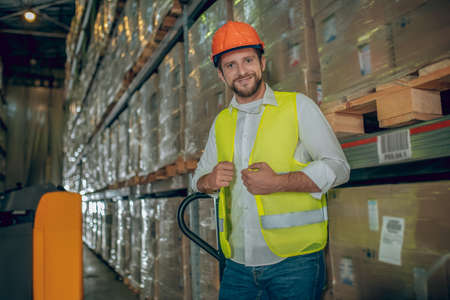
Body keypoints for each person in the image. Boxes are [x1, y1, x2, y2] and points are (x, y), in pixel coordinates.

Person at [192, 21, 350, 300]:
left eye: (248, 60)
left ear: (262, 63)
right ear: (221, 75)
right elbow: (198, 181)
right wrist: (210, 180)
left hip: (294, 264)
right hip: (238, 265)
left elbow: (339, 168)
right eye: (231, 65)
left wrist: (279, 182)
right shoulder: (221, 123)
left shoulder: (298, 106)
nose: (241, 71)